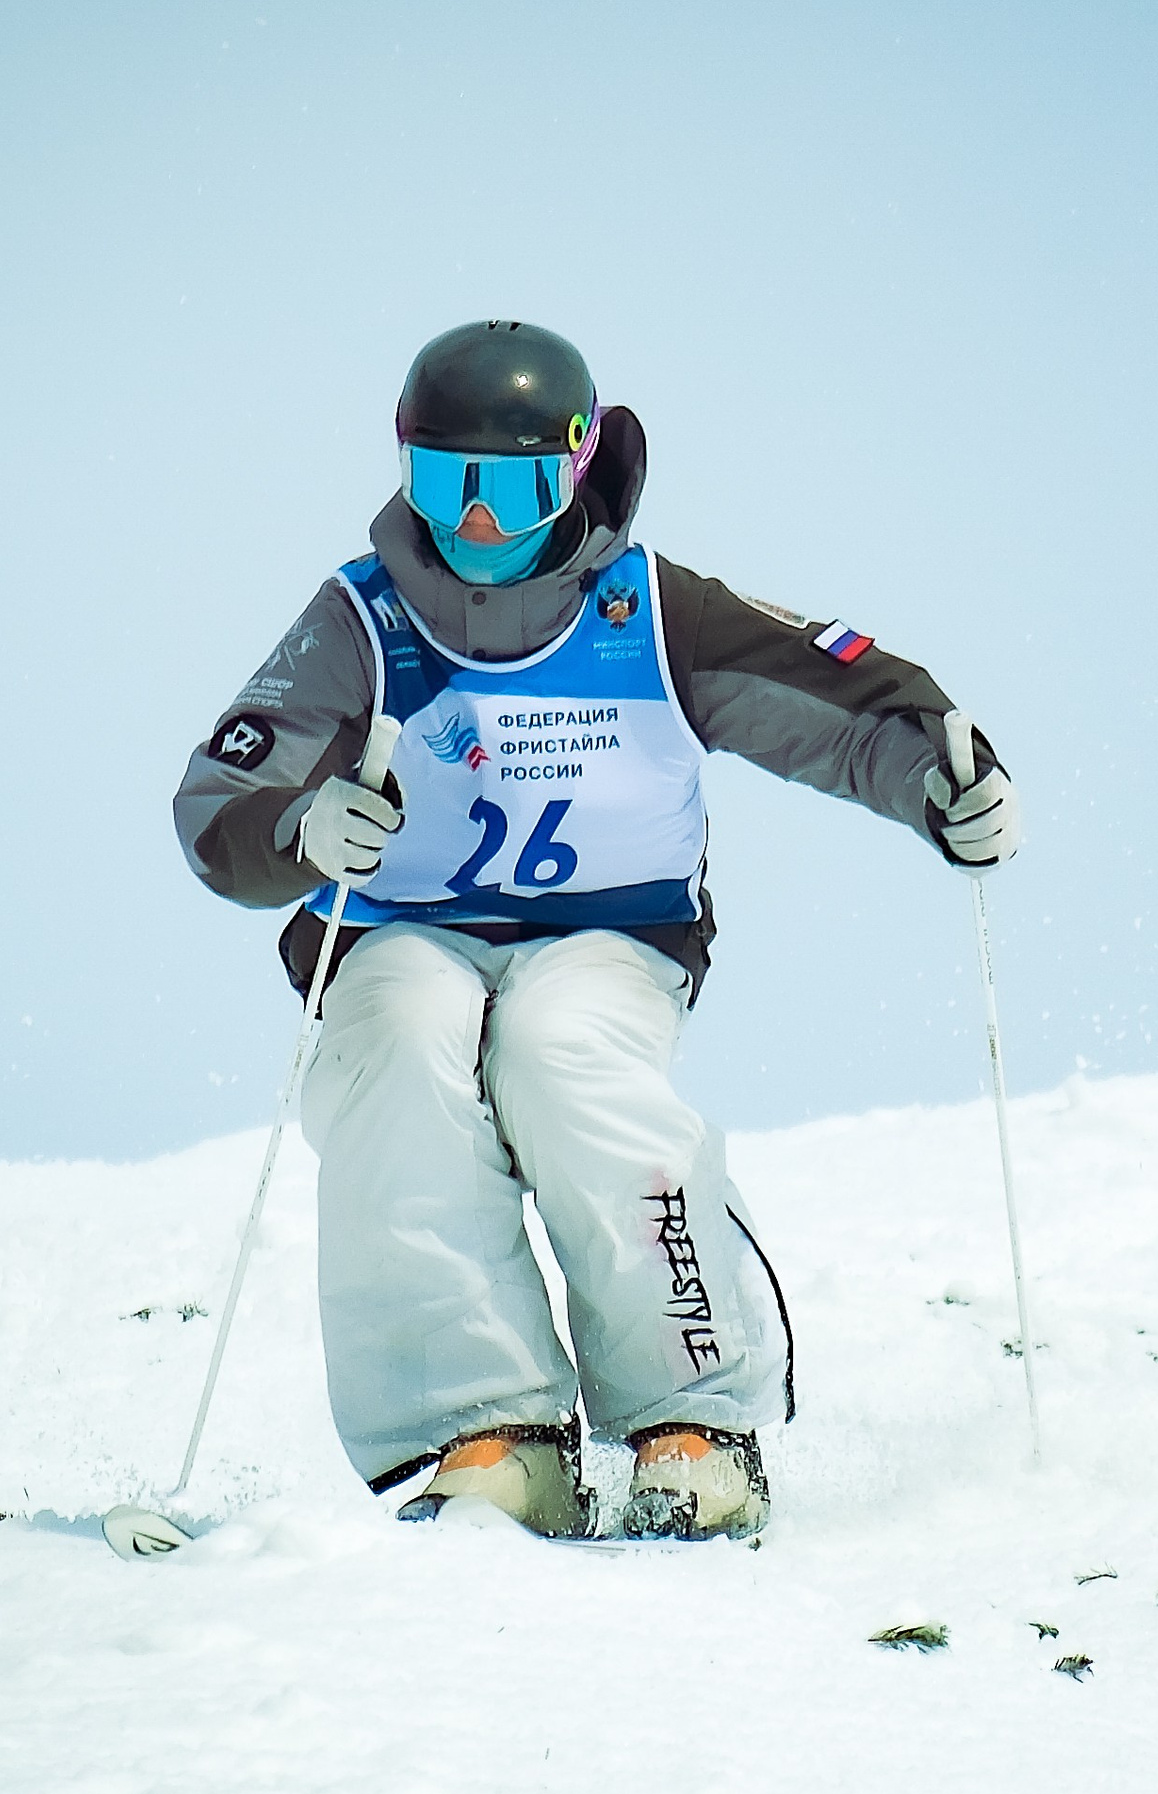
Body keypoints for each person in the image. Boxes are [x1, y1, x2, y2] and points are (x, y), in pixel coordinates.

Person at [171, 320, 1018, 1541]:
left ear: (573, 469)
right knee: (406, 1047)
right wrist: (302, 828)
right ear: (399, 463)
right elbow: (221, 804)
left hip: (610, 938)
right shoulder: (357, 622)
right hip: (398, 934)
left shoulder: (651, 611)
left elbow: (848, 702)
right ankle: (489, 1434)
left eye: (507, 484)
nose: (472, 521)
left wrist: (949, 784)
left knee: (560, 1048)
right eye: (443, 480)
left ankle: (692, 1419)